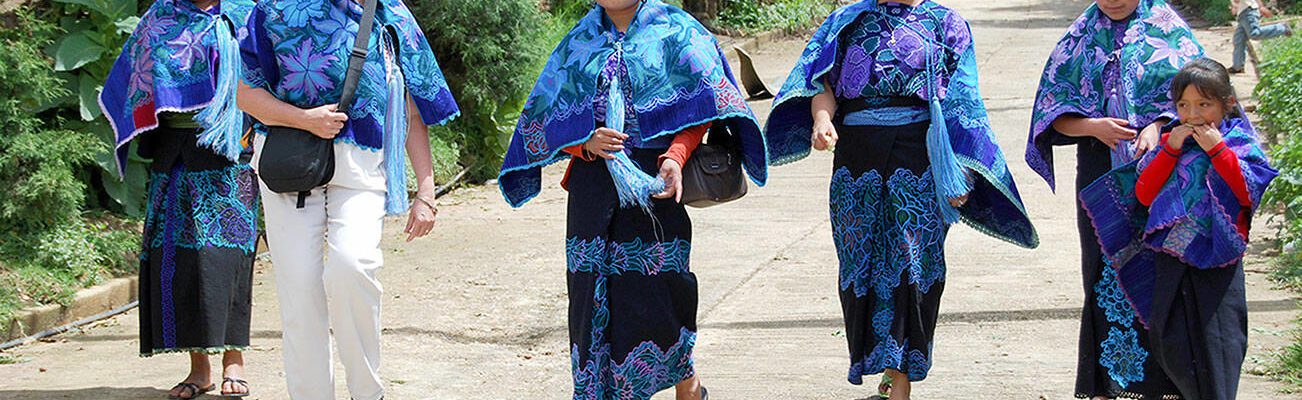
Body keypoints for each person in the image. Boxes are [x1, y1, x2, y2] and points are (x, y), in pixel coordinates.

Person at [764, 0, 1038, 398]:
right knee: (860, 264)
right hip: (855, 160)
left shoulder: (947, 24)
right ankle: (884, 367)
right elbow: (820, 82)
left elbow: (965, 101)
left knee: (916, 263)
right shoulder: (846, 21)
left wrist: (960, 168)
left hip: (922, 159)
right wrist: (822, 121)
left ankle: (900, 378)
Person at [497, 0, 768, 398]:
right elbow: (547, 119)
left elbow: (705, 103)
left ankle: (687, 381)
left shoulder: (677, 30)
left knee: (662, 295)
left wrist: (676, 157)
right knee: (592, 301)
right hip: (594, 190)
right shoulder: (578, 43)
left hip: (657, 181)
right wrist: (584, 142)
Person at [236, 0, 459, 398]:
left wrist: (425, 190)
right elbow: (244, 93)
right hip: (289, 163)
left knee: (353, 266)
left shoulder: (391, 14)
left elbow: (410, 106)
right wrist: (305, 119)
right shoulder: (273, 10)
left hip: (362, 166)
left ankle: (367, 392)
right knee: (299, 290)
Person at [1024, 0, 1206, 398]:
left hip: (1165, 172)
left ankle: (1166, 385)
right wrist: (1094, 126)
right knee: (1104, 274)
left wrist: (1161, 126)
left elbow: (1205, 101)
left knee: (1161, 273)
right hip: (1100, 171)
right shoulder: (1077, 39)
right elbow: (1050, 114)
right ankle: (1107, 384)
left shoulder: (1170, 31)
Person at [1080, 58, 1277, 400]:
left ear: (1227, 104)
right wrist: (1170, 148)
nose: (1194, 114)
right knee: (1171, 339)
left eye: (1205, 104)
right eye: (1184, 105)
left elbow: (1246, 191)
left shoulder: (1238, 142)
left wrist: (1216, 149)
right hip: (1170, 259)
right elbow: (1144, 193)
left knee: (1219, 343)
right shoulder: (1173, 142)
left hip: (1219, 262)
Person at [99, 0, 258, 398]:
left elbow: (269, 76)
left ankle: (233, 360)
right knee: (180, 260)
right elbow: (131, 77)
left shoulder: (247, 13)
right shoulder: (160, 18)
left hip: (228, 153)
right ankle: (199, 369)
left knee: (227, 259)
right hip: (174, 155)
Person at [1229, 0, 1292, 74]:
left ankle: (1282, 28)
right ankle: (1237, 67)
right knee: (1239, 39)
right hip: (1244, 13)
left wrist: (1235, 5)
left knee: (1254, 33)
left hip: (1247, 12)